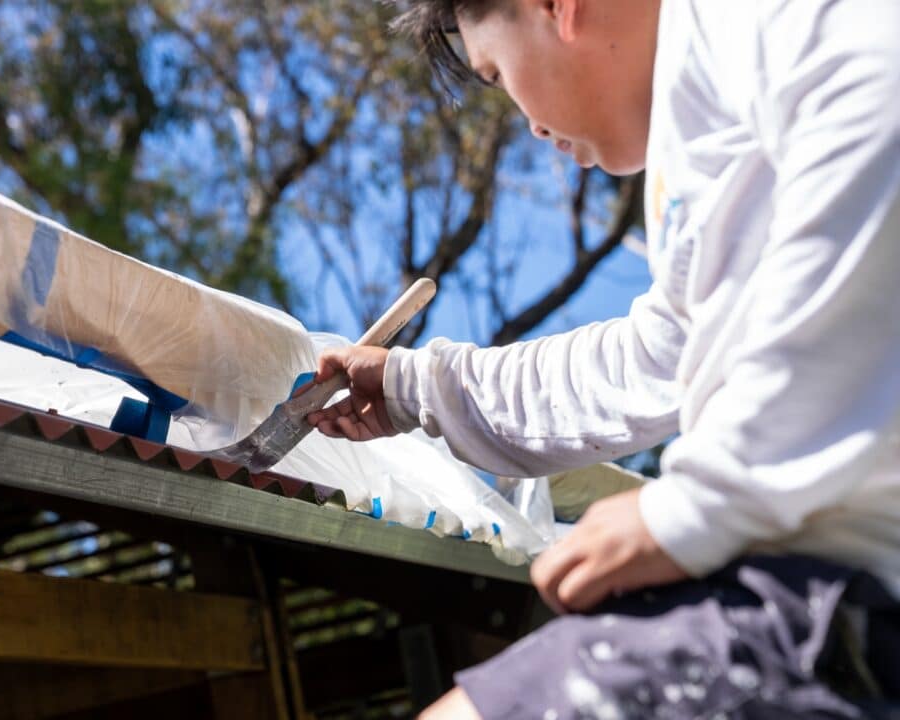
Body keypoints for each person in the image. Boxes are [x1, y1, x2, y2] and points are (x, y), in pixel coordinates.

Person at [305, 0, 900, 717]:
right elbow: (653, 359)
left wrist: (696, 510)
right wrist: (417, 385)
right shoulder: (704, 121)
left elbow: (882, 112)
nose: (528, 122)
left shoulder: (757, 19)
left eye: (495, 71)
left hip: (844, 606)